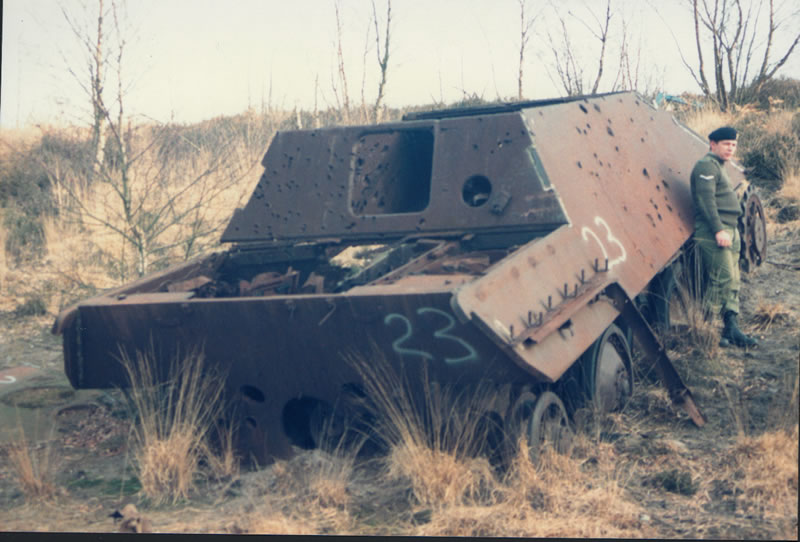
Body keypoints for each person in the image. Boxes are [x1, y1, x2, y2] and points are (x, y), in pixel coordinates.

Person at [690, 126, 758, 348]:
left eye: (734, 145)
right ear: (712, 144)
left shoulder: (719, 166)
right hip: (713, 231)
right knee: (723, 278)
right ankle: (705, 327)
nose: (731, 148)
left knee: (734, 282)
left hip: (730, 229)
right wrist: (719, 229)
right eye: (726, 144)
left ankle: (732, 329)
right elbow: (706, 201)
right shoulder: (706, 166)